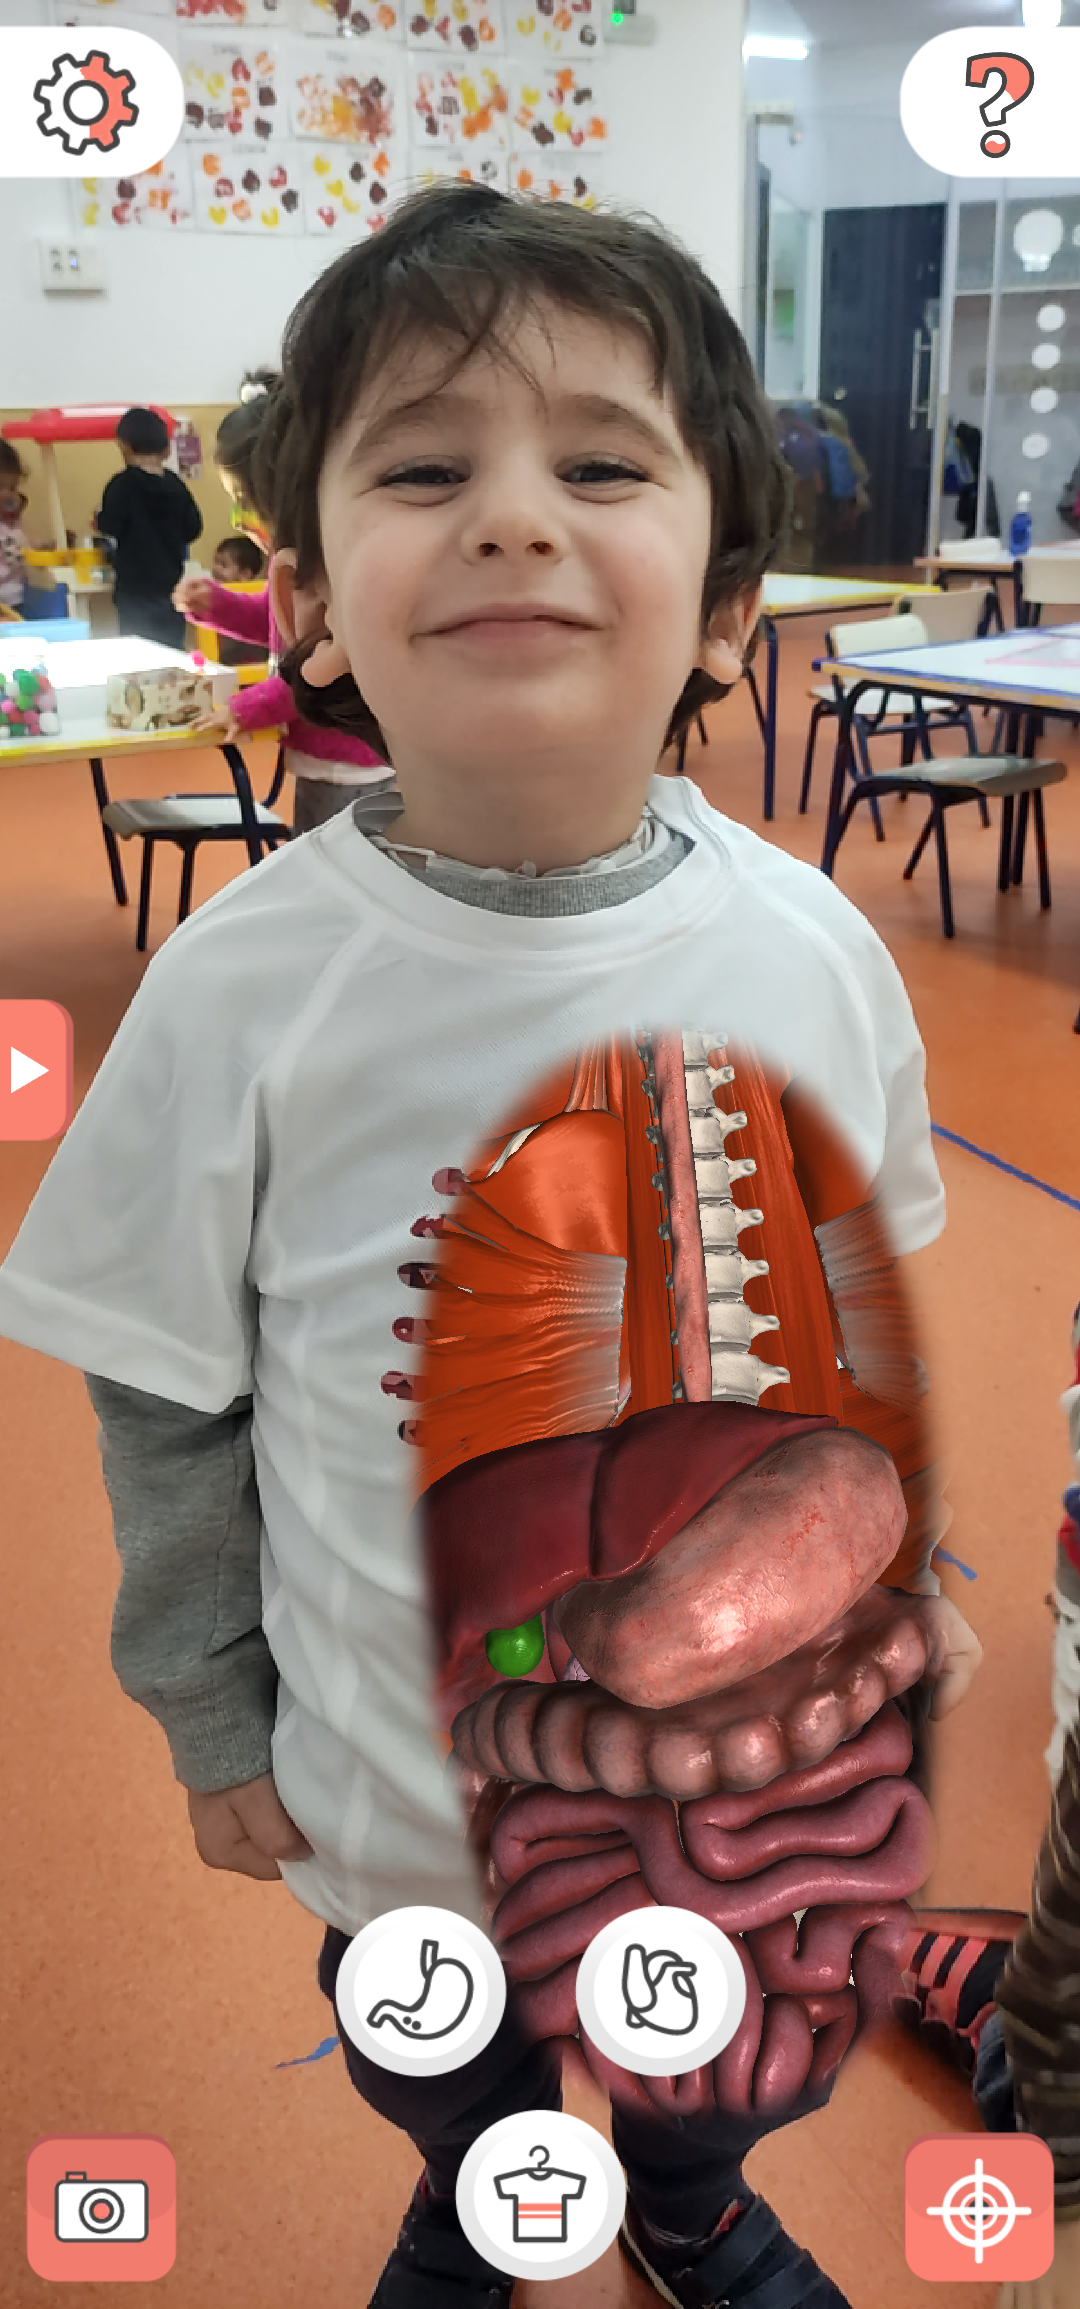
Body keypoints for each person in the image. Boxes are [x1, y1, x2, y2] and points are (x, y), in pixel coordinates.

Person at [0, 186, 982, 2309]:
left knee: (720, 2046)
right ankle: (476, 2198)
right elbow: (162, 1391)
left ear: (725, 605)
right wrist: (205, 1711)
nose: (515, 517)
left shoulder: (817, 950)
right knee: (440, 2058)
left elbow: (861, 1355)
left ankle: (689, 2201)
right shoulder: (242, 989)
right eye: (426, 469)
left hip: (760, 1767)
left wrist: (922, 1598)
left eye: (601, 468)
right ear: (307, 602)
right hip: (399, 1786)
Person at [174, 376, 393, 835]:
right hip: (327, 760)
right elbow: (282, 624)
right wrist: (217, 605)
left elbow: (317, 666)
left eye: (242, 501)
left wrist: (246, 708)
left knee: (337, 870)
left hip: (349, 766)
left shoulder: (328, 560)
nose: (237, 520)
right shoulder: (292, 555)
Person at [96, 407, 202, 651]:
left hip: (134, 591)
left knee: (138, 652)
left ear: (123, 447)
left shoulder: (121, 485)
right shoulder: (176, 486)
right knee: (172, 651)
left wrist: (100, 519)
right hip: (171, 588)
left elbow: (110, 525)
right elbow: (194, 527)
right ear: (166, 450)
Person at [208, 533, 269, 668]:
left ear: (245, 575)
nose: (216, 568)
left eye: (223, 565)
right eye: (216, 562)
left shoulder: (253, 600)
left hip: (250, 665)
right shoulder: (216, 596)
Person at [0, 439, 31, 614]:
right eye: (0, 487)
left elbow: (16, 544)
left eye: (13, 488)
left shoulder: (10, 518)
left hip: (14, 596)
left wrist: (35, 546)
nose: (7, 494)